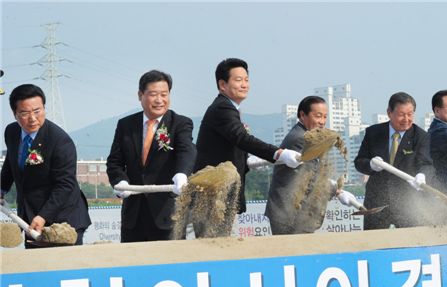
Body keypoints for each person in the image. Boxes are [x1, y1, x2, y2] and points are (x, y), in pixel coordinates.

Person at [194, 58, 301, 213]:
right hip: (214, 193)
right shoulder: (222, 108)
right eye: (238, 80)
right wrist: (279, 153)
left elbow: (232, 142)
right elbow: (242, 138)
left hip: (222, 192)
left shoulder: (229, 108)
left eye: (246, 80)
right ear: (222, 85)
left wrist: (246, 159)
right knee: (213, 237)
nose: (244, 85)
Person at [106, 70, 197, 242]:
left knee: (170, 266)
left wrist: (182, 174)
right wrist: (120, 181)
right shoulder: (126, 125)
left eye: (164, 94)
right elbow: (114, 162)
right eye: (153, 94)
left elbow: (187, 150)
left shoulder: (180, 123)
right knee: (133, 265)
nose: (159, 100)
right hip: (133, 216)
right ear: (140, 95)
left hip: (168, 214)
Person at [0, 84, 91, 246]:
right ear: (15, 114)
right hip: (30, 218)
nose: (33, 118)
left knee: (63, 269)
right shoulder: (11, 132)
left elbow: (65, 185)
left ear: (44, 108)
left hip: (63, 221)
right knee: (36, 267)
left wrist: (43, 216)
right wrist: (1, 189)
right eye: (25, 113)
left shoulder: (60, 141)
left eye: (37, 111)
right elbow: (10, 163)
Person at [263, 96, 358, 234]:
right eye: (318, 116)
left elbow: (314, 171)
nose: (322, 122)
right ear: (302, 115)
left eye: (325, 117)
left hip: (296, 213)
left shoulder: (309, 137)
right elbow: (308, 179)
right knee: (293, 254)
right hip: (290, 214)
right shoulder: (301, 139)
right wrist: (336, 191)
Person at [354, 92, 434, 230]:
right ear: (389, 112)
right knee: (374, 245)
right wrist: (371, 165)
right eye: (401, 114)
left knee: (411, 245)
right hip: (377, 202)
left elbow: (427, 164)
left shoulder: (421, 136)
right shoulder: (373, 133)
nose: (406, 119)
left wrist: (422, 175)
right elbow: (359, 162)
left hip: (407, 204)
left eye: (410, 114)